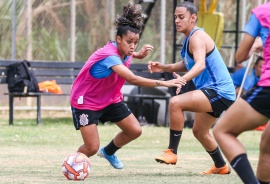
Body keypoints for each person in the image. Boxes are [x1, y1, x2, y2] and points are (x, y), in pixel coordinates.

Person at [70, 3, 186, 170]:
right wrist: (165, 82)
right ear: (118, 39)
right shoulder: (109, 55)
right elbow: (132, 79)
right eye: (129, 42)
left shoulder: (125, 51)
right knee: (91, 147)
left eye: (136, 42)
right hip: (86, 101)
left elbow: (125, 55)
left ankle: (109, 152)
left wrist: (138, 55)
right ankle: (72, 165)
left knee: (134, 130)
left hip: (109, 99)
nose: (133, 46)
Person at [148, 0, 236, 174]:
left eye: (181, 17)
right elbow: (187, 63)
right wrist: (165, 67)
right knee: (200, 131)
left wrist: (183, 80)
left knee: (175, 103)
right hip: (216, 92)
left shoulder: (197, 37)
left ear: (193, 18)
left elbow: (200, 64)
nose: (177, 21)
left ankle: (172, 152)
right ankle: (221, 166)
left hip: (219, 90)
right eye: (175, 17)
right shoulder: (189, 38)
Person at [213, 1, 270, 183]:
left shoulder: (262, 12)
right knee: (268, 145)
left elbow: (240, 57)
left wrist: (255, 45)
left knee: (222, 130)